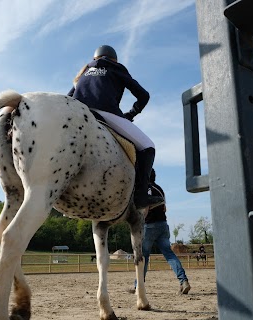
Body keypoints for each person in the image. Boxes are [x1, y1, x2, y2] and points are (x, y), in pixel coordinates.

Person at [68, 45, 162, 209]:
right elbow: (143, 95)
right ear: (113, 59)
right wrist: (130, 114)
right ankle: (140, 195)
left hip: (78, 115)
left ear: (94, 58)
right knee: (148, 147)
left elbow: (68, 98)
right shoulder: (116, 68)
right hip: (105, 113)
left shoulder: (83, 73)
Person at [129, 169, 191, 295]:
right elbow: (164, 208)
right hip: (163, 225)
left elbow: (145, 208)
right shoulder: (160, 189)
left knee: (143, 257)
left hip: (149, 227)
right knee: (169, 254)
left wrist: (139, 222)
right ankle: (183, 281)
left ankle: (138, 286)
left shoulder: (144, 188)